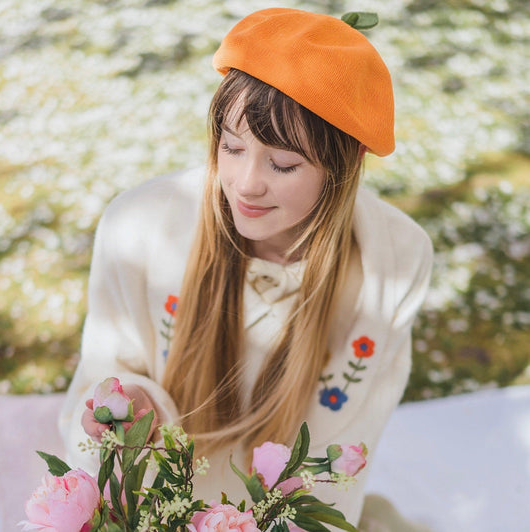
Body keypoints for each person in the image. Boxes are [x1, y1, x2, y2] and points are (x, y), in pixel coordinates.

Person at [59, 7, 433, 530]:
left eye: (282, 164)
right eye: (231, 148)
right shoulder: (139, 227)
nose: (245, 184)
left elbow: (343, 443)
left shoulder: (391, 260)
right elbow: (101, 373)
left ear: (341, 170)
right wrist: (130, 404)